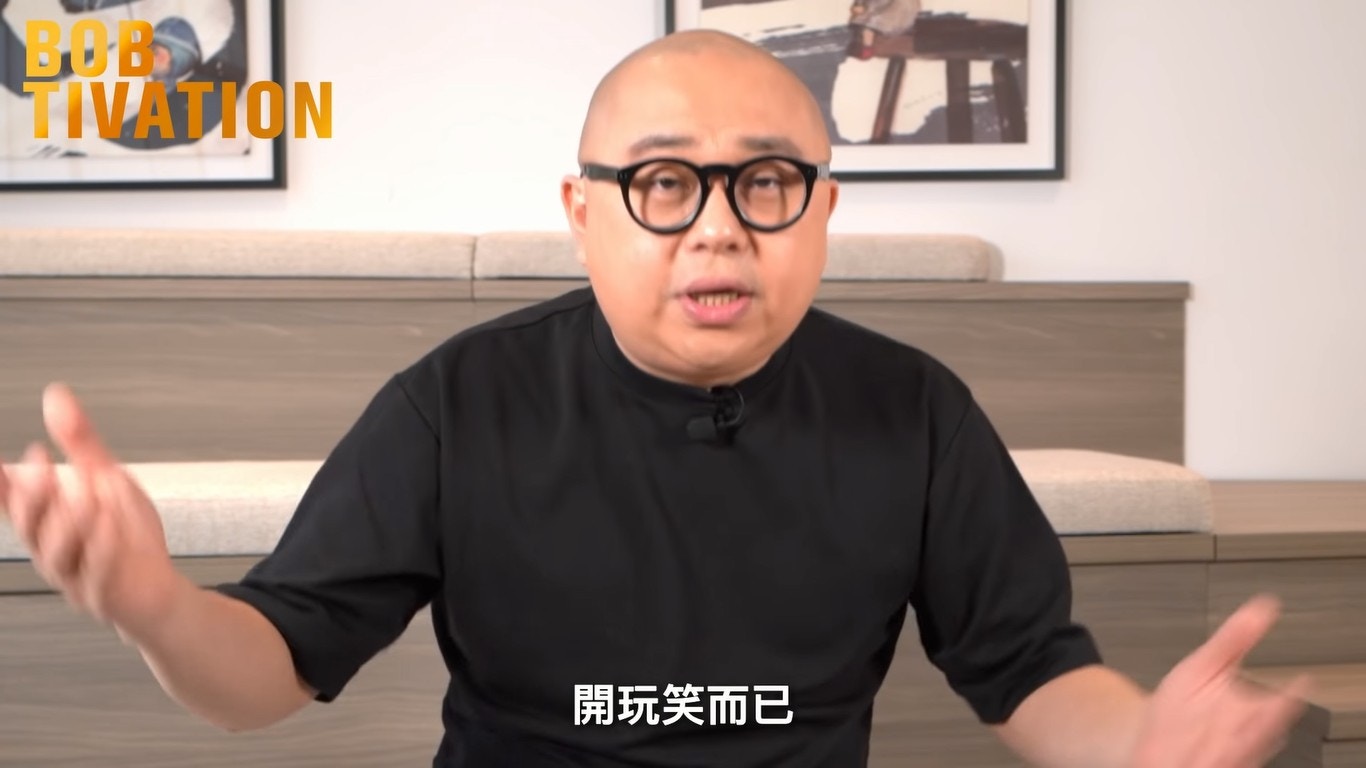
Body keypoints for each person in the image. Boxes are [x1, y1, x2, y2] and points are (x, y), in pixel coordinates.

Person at [0, 29, 1311, 768]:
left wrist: (1139, 742)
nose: (718, 228)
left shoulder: (913, 412)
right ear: (583, 215)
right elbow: (266, 676)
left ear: (823, 212)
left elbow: (1029, 672)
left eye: (766, 183)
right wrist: (156, 607)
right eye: (664, 183)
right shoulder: (455, 405)